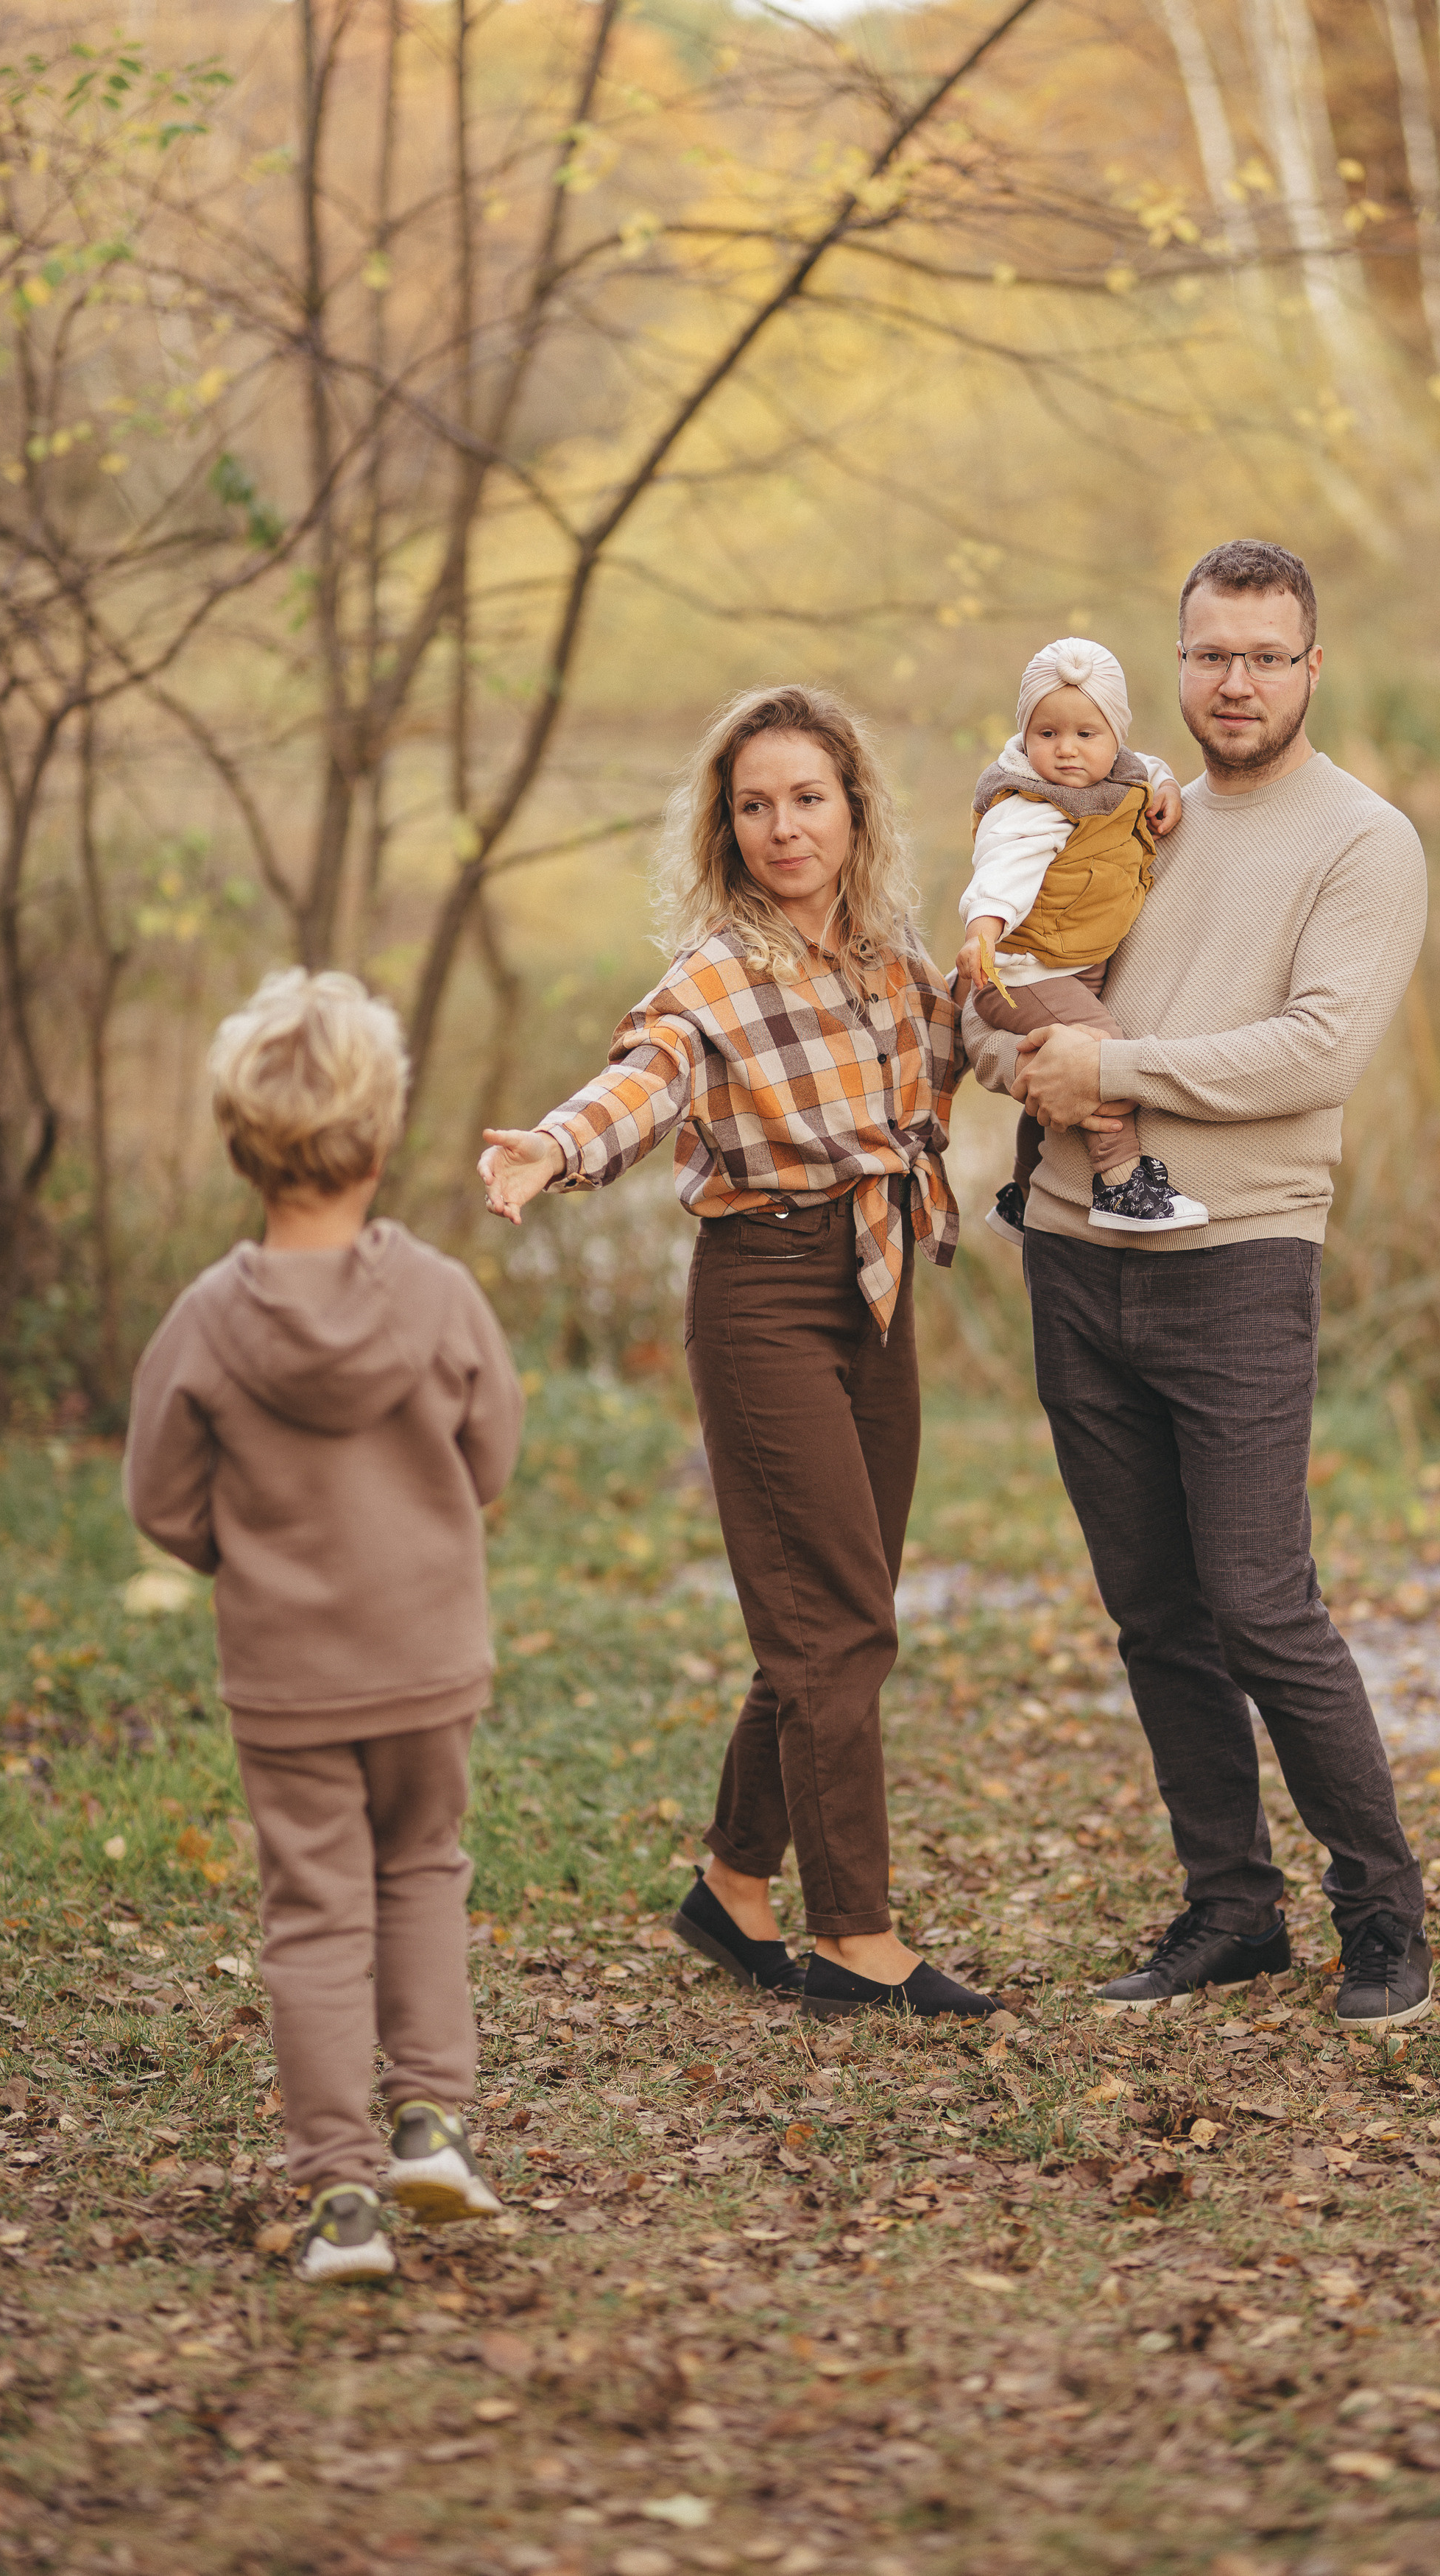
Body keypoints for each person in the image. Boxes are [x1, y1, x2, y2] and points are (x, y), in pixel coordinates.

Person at [962, 539, 1433, 2031]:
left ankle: (1384, 1917)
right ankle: (1231, 1910)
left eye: (1265, 655)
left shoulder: (1363, 840)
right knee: (1154, 1610)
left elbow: (1318, 1051)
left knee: (1257, 1598)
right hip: (1070, 1251)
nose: (1235, 681)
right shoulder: (1107, 812)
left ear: (1310, 667)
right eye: (1210, 653)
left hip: (1237, 1256)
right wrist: (1025, 1071)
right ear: (1175, 663)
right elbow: (1011, 1007)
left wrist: (1118, 1069)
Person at [479, 684, 1001, 2023]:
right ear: (727, 826)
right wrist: (552, 1146)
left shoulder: (890, 961)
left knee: (832, 1609)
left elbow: (979, 1044)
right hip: (763, 1294)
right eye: (755, 805)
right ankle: (858, 1940)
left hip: (872, 1288)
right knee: (838, 1622)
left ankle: (731, 1886)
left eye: (807, 799)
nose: (784, 828)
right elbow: (642, 1079)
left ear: (854, 810)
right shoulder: (712, 974)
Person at [124, 969, 523, 2281]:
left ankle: (342, 2201)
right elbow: (490, 1457)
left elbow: (164, 1506)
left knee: (311, 1913)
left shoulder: (204, 1324)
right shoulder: (444, 1299)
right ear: (382, 1132)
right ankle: (426, 2123)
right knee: (421, 1870)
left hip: (290, 1680)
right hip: (427, 1661)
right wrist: (423, 1529)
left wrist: (251, 1559)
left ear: (242, 1143)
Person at [953, 634, 1207, 1242]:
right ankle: (1120, 1181)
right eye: (1047, 734)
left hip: (1071, 961)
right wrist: (981, 931)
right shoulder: (1029, 805)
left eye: (1084, 735)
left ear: (1113, 734)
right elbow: (1000, 876)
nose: (1065, 750)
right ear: (1025, 734)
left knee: (1055, 1075)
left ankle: (1023, 1192)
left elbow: (1151, 768)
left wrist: (1167, 791)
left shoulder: (1124, 771)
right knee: (1099, 1057)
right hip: (1020, 969)